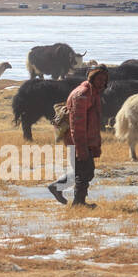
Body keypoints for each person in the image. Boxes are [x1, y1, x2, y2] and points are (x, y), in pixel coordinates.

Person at [47, 64, 107, 207]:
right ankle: (78, 203)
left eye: (104, 79)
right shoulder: (82, 95)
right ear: (91, 78)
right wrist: (81, 148)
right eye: (99, 79)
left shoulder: (93, 93)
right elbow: (77, 124)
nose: (102, 82)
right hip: (78, 141)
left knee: (86, 172)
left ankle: (58, 188)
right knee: (83, 172)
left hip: (84, 140)